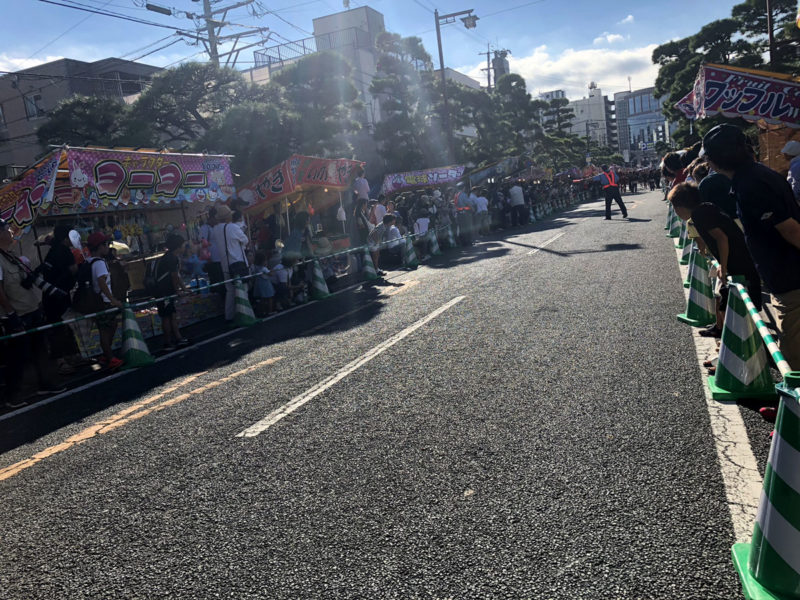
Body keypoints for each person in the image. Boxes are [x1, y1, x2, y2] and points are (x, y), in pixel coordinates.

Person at [702, 124, 800, 369]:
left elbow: (789, 228)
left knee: (794, 355)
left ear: (715, 160)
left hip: (791, 276)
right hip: (785, 274)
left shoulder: (750, 185)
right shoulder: (757, 174)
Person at [669, 182, 761, 337]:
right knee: (725, 300)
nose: (676, 212)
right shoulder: (706, 207)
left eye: (675, 208)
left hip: (738, 264)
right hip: (743, 260)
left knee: (730, 305)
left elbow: (721, 238)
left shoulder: (700, 215)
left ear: (681, 206)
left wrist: (723, 267)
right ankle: (724, 334)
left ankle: (734, 343)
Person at [0, 219, 65, 406]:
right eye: (5, 229)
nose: (10, 231)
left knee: (40, 349)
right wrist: (11, 315)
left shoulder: (9, 255)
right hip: (16, 315)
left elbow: (24, 282)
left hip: (31, 309)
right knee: (17, 356)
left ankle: (46, 384)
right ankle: (13, 395)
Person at [86, 231, 124, 370]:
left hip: (95, 301)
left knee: (109, 326)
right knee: (106, 329)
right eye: (105, 244)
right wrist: (112, 299)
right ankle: (110, 358)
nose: (107, 246)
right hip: (103, 301)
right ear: (99, 247)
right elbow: (102, 282)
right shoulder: (100, 263)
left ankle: (106, 355)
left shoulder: (88, 262)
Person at [211, 204, 249, 322]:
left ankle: (230, 316)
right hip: (237, 263)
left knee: (230, 291)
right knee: (243, 289)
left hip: (225, 265)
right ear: (228, 217)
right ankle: (245, 314)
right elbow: (245, 240)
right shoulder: (232, 227)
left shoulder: (216, 229)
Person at [155, 233, 190, 351]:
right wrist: (178, 290)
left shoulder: (169, 256)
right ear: (178, 246)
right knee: (167, 316)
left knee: (172, 315)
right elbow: (174, 276)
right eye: (183, 245)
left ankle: (178, 338)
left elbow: (177, 276)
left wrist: (184, 288)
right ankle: (167, 343)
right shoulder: (172, 258)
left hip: (164, 290)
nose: (185, 247)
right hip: (164, 291)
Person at [251, 251, 275, 317]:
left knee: (262, 299)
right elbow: (271, 274)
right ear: (262, 261)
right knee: (270, 298)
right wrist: (272, 270)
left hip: (258, 284)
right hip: (266, 285)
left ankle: (262, 311)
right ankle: (270, 311)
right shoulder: (264, 268)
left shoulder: (255, 267)